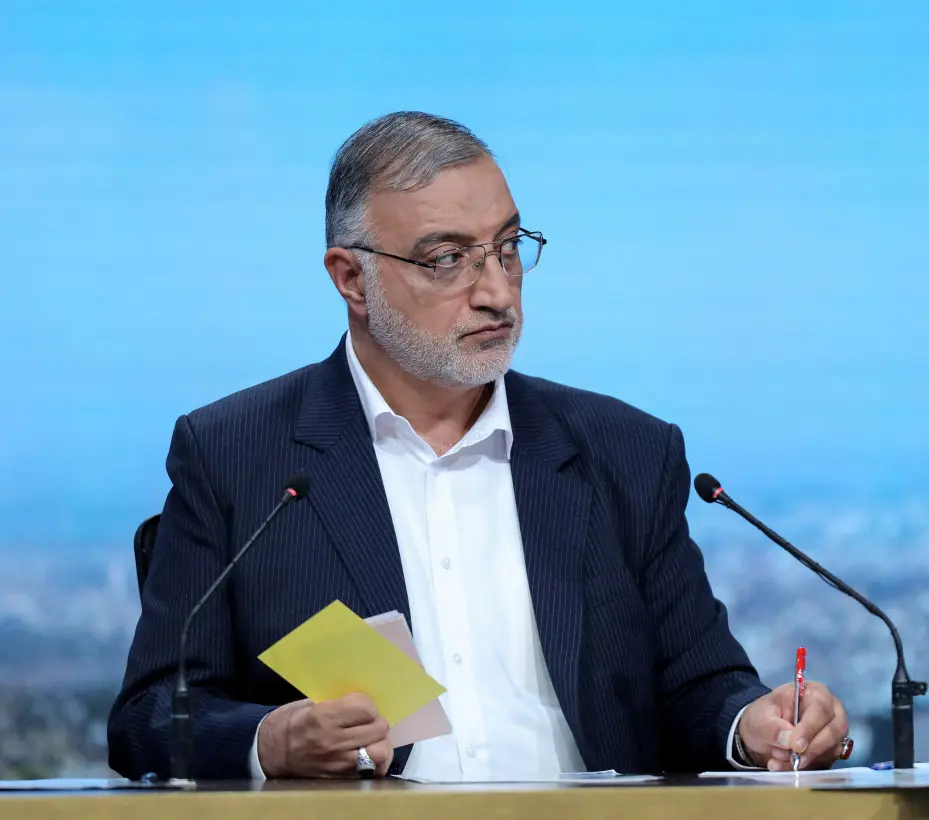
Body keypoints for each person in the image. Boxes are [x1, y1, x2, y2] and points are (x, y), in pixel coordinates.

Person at [107, 112, 850, 781]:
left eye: (507, 249)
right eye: (447, 260)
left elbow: (700, 686)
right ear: (351, 279)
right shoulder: (238, 455)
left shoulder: (625, 452)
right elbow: (146, 721)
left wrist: (753, 724)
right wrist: (270, 739)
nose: (497, 290)